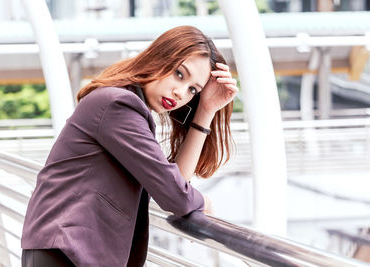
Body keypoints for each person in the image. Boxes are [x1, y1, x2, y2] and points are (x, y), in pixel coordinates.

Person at [21, 25, 238, 266]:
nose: (180, 93)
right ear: (160, 57)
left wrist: (206, 110)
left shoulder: (124, 105)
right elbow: (175, 195)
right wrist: (203, 202)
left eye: (193, 90)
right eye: (179, 74)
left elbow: (176, 182)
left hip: (68, 251)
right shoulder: (119, 105)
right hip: (64, 253)